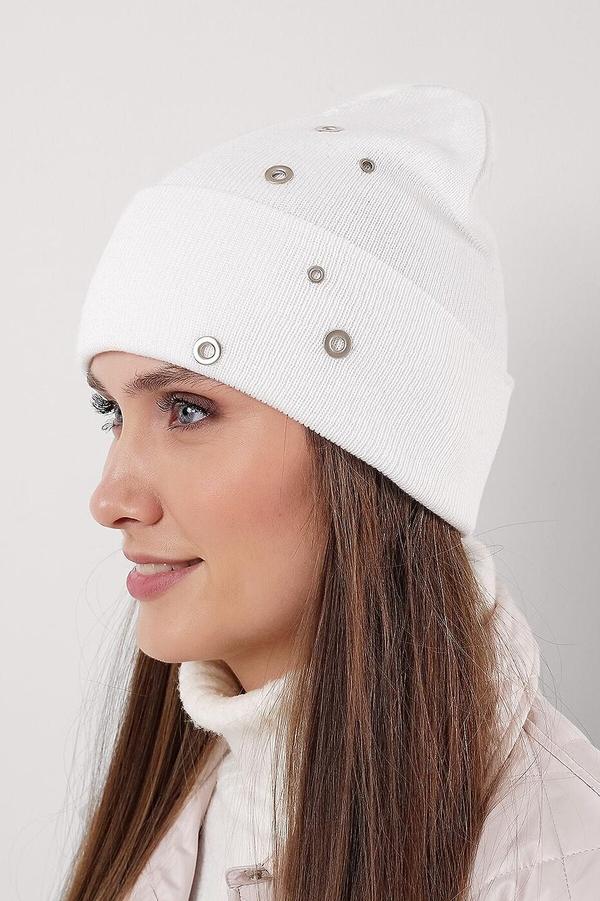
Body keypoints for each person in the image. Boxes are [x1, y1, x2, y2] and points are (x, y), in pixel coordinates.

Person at [62, 84, 600, 900]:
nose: (111, 499)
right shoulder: (163, 810)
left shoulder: (568, 861)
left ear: (375, 458)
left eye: (186, 408)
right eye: (113, 411)